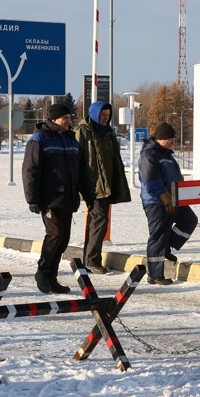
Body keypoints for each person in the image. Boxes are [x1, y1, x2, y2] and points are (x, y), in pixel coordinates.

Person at [23, 102, 92, 294]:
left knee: (63, 239)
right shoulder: (40, 139)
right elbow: (30, 170)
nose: (69, 121)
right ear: (54, 119)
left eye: (70, 118)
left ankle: (52, 277)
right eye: (65, 118)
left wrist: (89, 196)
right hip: (49, 199)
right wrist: (32, 199)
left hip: (68, 198)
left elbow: (82, 172)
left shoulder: (71, 140)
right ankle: (42, 272)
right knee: (55, 235)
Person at [74, 100, 131, 274]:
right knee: (99, 221)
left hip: (107, 185)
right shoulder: (84, 132)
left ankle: (90, 259)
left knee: (98, 221)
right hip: (92, 185)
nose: (105, 118)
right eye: (102, 115)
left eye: (108, 115)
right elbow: (78, 159)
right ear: (94, 114)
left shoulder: (109, 133)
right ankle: (92, 260)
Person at [139, 122, 197, 285]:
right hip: (156, 202)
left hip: (174, 200)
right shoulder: (150, 155)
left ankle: (166, 247)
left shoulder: (167, 155)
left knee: (189, 220)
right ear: (163, 138)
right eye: (171, 139)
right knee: (159, 235)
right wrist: (164, 198)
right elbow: (152, 181)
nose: (173, 142)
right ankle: (155, 275)